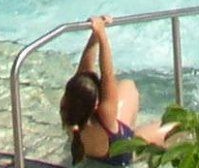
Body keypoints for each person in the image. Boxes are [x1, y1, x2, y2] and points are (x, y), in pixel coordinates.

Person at [59, 17, 172, 166]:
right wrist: (102, 35)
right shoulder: (105, 115)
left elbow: (83, 74)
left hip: (94, 150)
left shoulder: (68, 114)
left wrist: (95, 36)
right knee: (178, 128)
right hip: (124, 151)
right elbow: (107, 74)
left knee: (127, 85)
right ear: (96, 105)